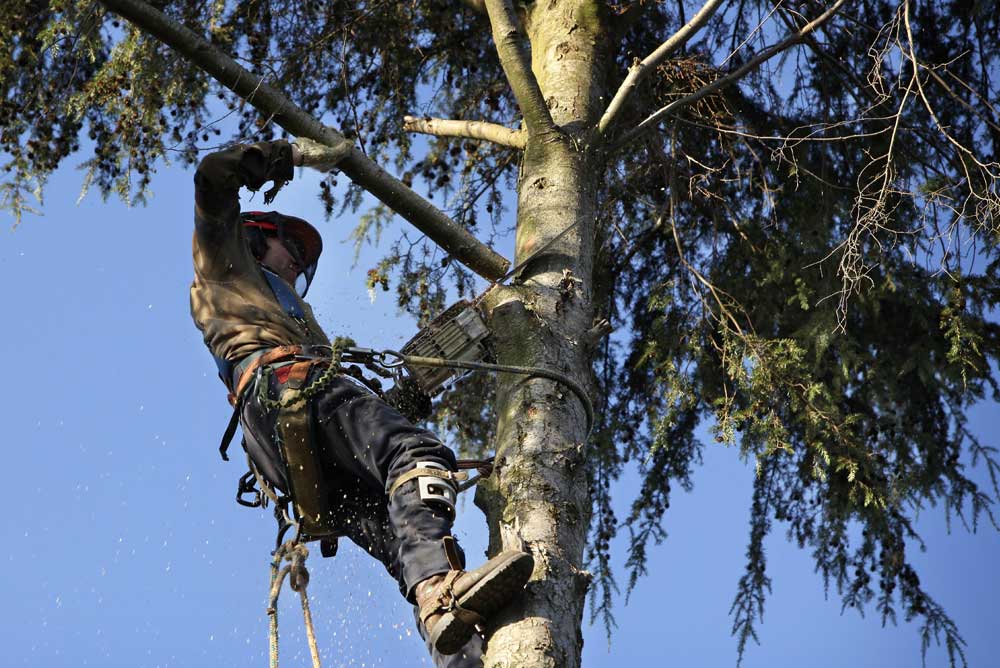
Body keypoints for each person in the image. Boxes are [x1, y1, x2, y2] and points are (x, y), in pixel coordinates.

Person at [189, 138, 532, 665]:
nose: (298, 264)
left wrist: (409, 393)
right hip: (282, 386)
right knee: (418, 455)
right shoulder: (225, 263)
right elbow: (213, 177)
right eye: (292, 249)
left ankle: (455, 643)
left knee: (405, 535)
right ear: (255, 239)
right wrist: (278, 158)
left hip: (290, 454)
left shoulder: (296, 318)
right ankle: (442, 593)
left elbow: (351, 426)